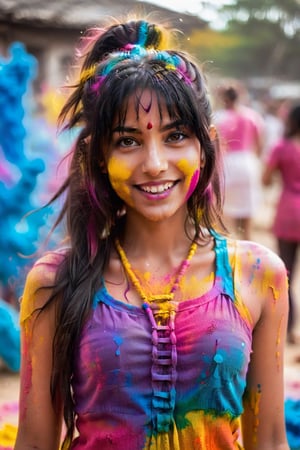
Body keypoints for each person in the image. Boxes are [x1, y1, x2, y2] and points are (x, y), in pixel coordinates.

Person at [14, 17, 290, 450]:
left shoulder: (257, 275)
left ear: (207, 145)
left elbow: (270, 441)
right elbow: (33, 442)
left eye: (176, 135)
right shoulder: (55, 283)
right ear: (98, 156)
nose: (155, 163)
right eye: (127, 141)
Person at [262, 103, 300, 345]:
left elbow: (265, 179)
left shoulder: (282, 148)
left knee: (286, 272)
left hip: (288, 212)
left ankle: (289, 328)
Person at [214, 83, 265, 240]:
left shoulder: (219, 117)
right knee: (247, 214)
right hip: (248, 163)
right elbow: (260, 143)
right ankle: (248, 246)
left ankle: (227, 249)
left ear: (224, 98)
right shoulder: (252, 116)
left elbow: (215, 146)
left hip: (227, 164)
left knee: (222, 213)